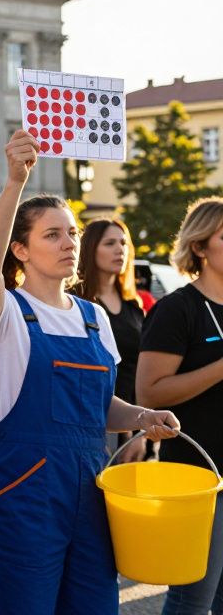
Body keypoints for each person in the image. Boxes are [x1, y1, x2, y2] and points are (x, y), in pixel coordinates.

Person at [0, 129, 178, 615]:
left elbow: (100, 407)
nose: (68, 243)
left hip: (90, 491)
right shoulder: (6, 316)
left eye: (72, 233)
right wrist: (15, 183)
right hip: (24, 497)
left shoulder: (94, 316)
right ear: (19, 250)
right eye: (51, 234)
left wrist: (143, 416)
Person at [136, 197, 223, 614]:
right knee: (193, 601)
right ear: (201, 247)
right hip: (198, 478)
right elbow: (150, 394)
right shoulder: (178, 309)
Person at [72, 218, 147, 464]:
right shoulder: (75, 302)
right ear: (90, 249)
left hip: (133, 423)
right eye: (110, 243)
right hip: (88, 420)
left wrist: (139, 432)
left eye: (124, 243)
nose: (120, 250)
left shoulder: (133, 306)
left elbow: (140, 372)